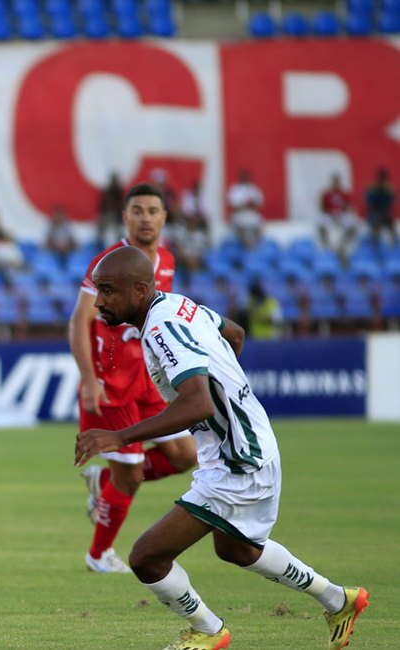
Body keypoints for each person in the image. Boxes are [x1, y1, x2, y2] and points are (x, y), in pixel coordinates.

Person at [75, 246, 369, 650]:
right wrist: (228, 388)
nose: (100, 301)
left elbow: (197, 402)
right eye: (98, 290)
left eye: (108, 291)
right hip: (246, 445)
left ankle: (209, 632)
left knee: (147, 557)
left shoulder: (162, 328)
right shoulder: (177, 306)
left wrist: (120, 436)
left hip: (238, 460)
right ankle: (340, 600)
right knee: (236, 548)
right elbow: (234, 333)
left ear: (140, 290)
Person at [68, 182, 196, 574]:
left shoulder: (168, 261)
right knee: (130, 476)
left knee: (185, 455)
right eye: (137, 210)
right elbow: (80, 320)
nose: (145, 218)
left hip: (150, 380)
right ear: (125, 217)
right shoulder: (109, 262)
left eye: (152, 211)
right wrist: (89, 379)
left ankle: (105, 484)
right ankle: (98, 555)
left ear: (164, 217)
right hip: (113, 381)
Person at [318, 174, 359, 261]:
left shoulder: (344, 193)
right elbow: (322, 207)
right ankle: (327, 244)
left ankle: (343, 244)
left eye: (337, 182)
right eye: (334, 181)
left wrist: (344, 210)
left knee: (353, 225)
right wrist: (328, 211)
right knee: (322, 223)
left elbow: (348, 206)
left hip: (341, 214)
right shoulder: (326, 194)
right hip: (330, 214)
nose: (336, 184)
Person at [227, 169, 264, 250]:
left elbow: (258, 205)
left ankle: (255, 248)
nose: (246, 179)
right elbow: (233, 207)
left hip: (251, 214)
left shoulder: (254, 189)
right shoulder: (235, 189)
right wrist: (246, 204)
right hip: (239, 215)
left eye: (247, 177)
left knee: (258, 224)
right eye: (244, 177)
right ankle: (245, 247)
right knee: (241, 226)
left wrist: (251, 205)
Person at [364, 167, 397, 248]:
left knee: (391, 223)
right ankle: (374, 242)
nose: (382, 180)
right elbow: (369, 205)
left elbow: (390, 205)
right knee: (376, 222)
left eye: (384, 178)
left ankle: (393, 244)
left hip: (385, 213)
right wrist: (377, 214)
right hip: (374, 213)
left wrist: (384, 214)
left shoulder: (389, 190)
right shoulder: (372, 189)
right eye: (380, 177)